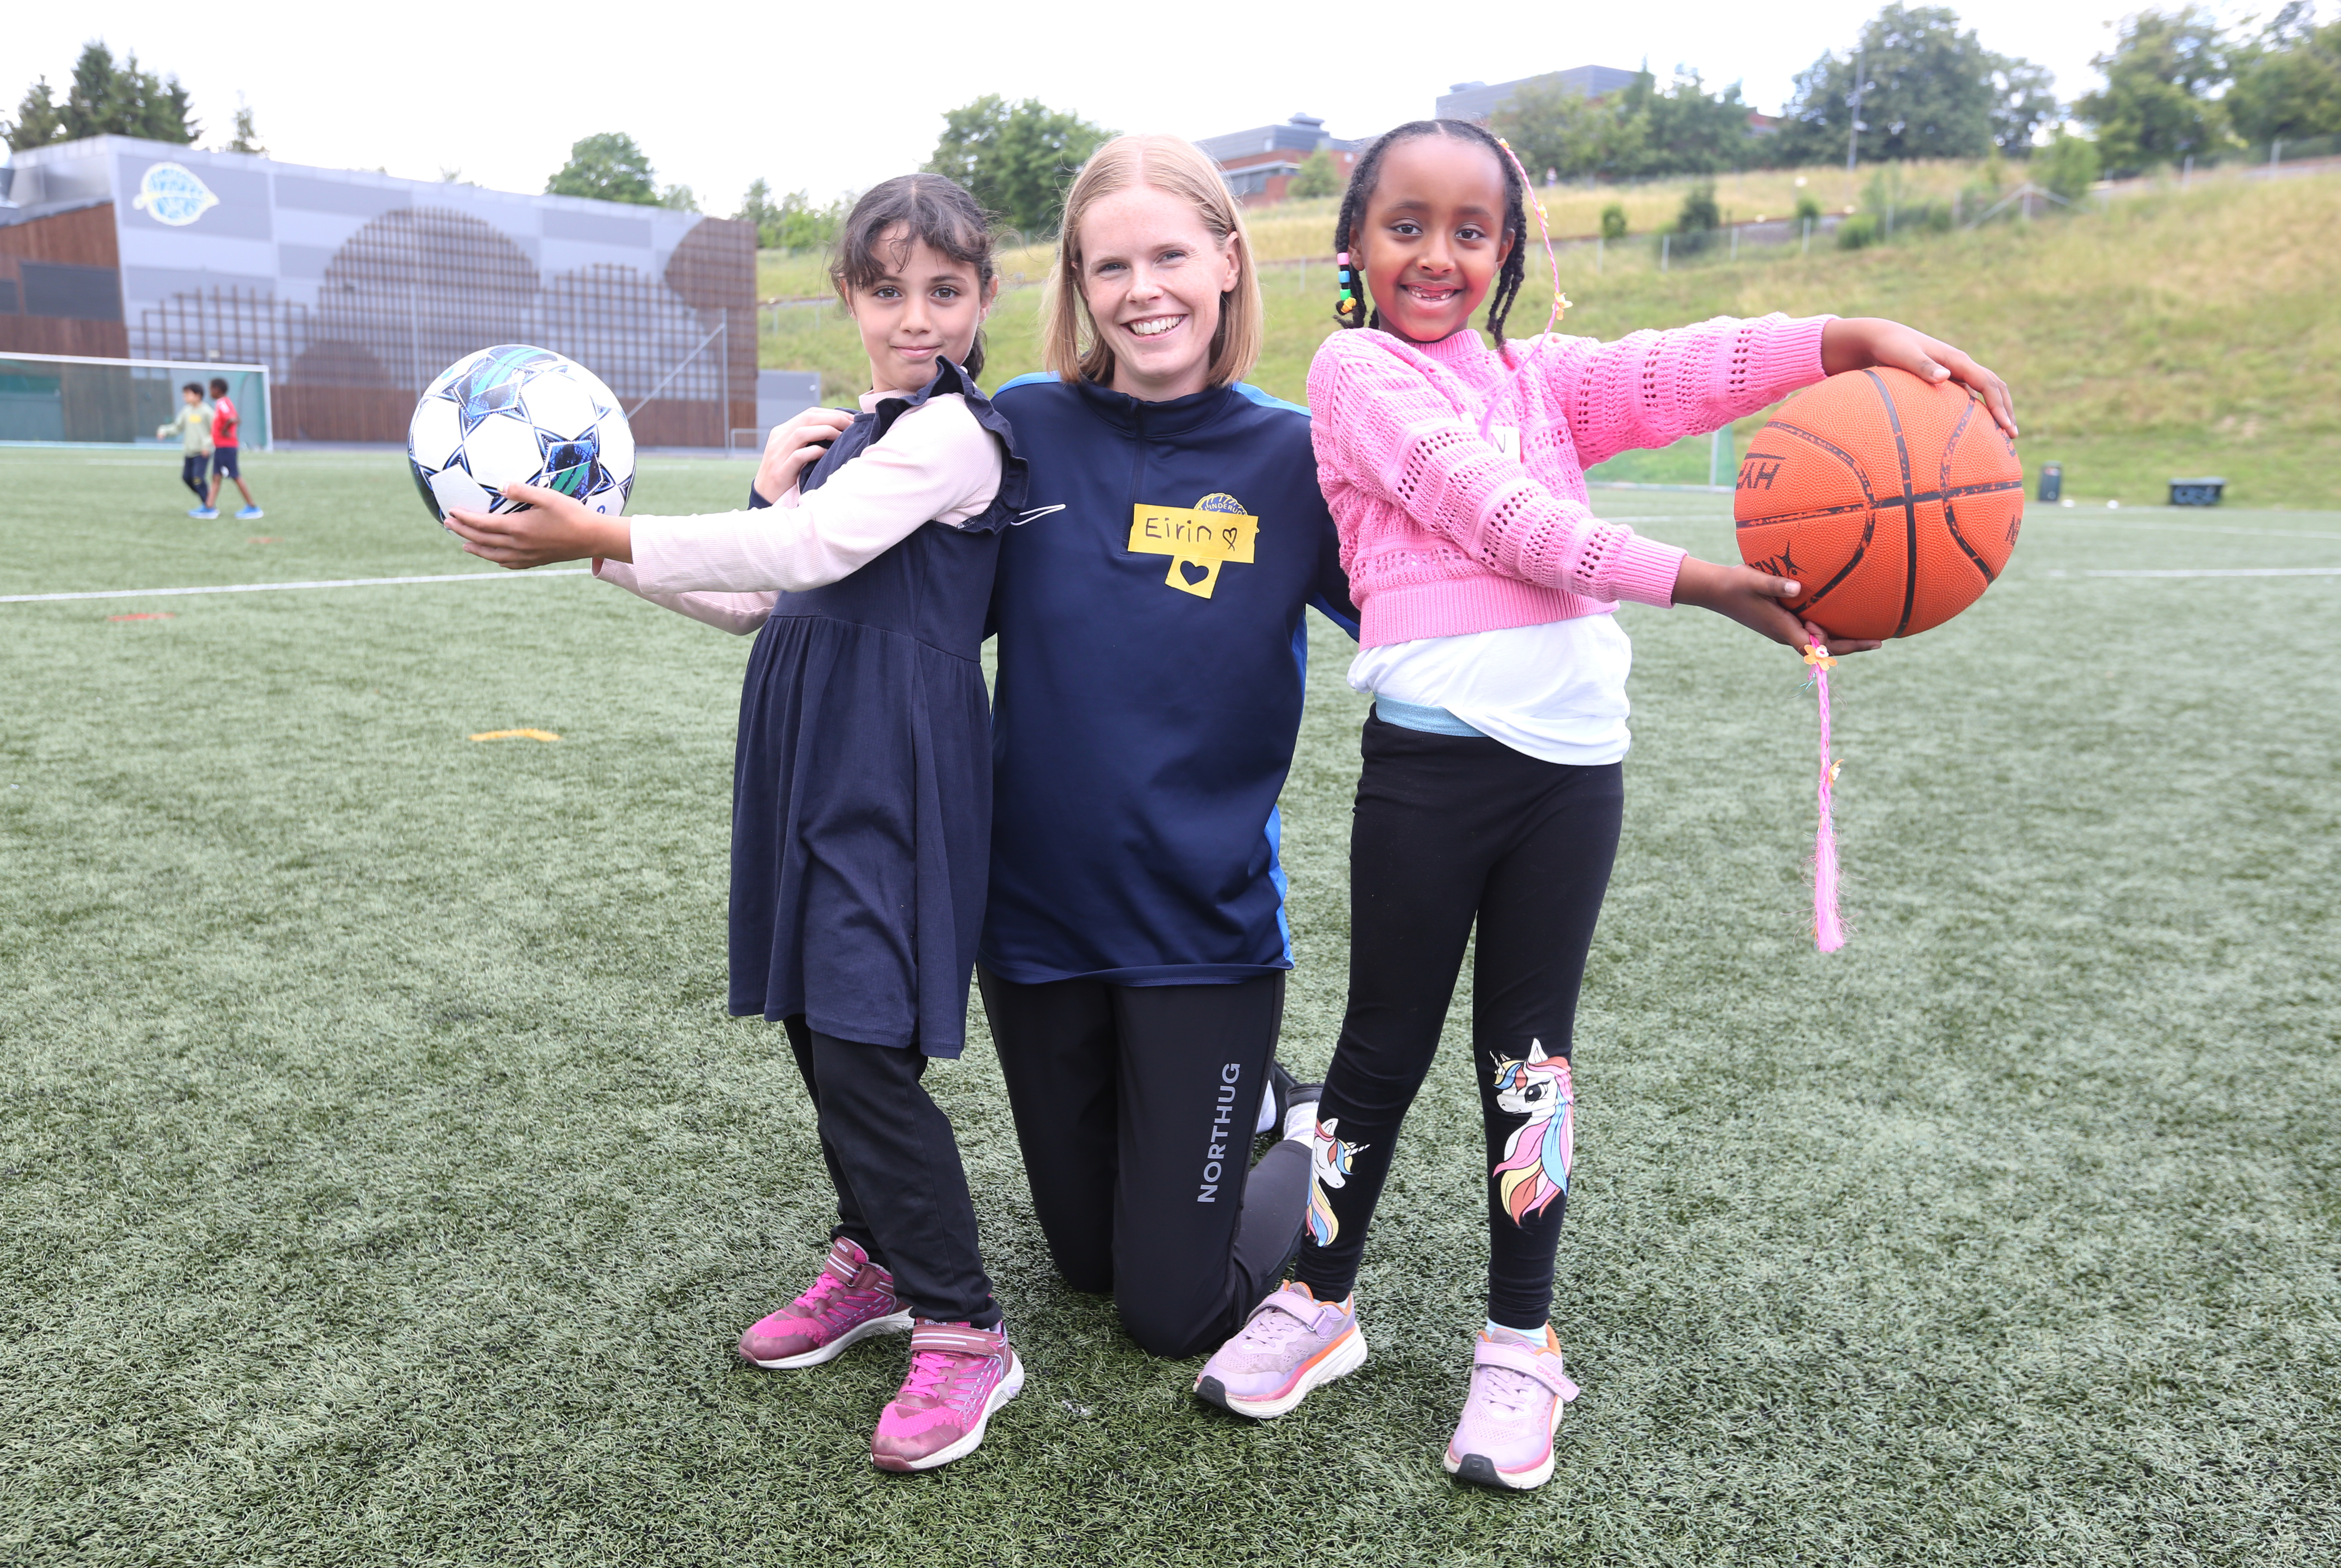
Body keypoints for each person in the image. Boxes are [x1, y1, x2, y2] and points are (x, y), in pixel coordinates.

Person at [1194, 118, 2018, 1490]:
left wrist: (1846, 337)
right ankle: (1316, 1299)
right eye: (1405, 225)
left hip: (1567, 778)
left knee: (1527, 1061)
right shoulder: (1355, 375)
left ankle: (1519, 1343)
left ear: (1507, 251)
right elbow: (1498, 518)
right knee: (1377, 1049)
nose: (1437, 254)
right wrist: (1702, 583)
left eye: (1471, 230)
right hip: (1426, 773)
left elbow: (1681, 366)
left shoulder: (1541, 381)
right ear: (1350, 245)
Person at [440, 174, 1031, 1473]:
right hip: (806, 758)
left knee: (865, 1044)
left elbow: (807, 554)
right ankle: (877, 1255)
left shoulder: (955, 438)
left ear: (984, 297)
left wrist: (620, 523)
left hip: (895, 768)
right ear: (849, 298)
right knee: (818, 1024)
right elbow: (759, 601)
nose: (916, 317)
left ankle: (966, 1326)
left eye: (944, 290)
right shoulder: (851, 436)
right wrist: (600, 553)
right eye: (887, 290)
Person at [979, 135, 1358, 1362]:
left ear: (1229, 261)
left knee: (1168, 1310)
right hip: (1034, 930)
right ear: (1077, 287)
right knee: (1084, 1264)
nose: (1142, 290)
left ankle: (1303, 1123)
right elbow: (889, 584)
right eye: (1109, 266)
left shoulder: (1297, 456)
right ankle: (1227, 1115)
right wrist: (782, 496)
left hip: (1204, 934)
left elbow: (1422, 609)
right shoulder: (1020, 429)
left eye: (1170, 256)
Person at [196, 377, 262, 521]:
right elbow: (236, 418)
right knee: (216, 477)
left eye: (211, 389)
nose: (210, 392)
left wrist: (225, 430)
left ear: (217, 390)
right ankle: (209, 507)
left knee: (235, 476)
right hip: (221, 447)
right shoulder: (223, 403)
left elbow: (233, 419)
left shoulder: (223, 403)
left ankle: (252, 507)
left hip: (226, 447)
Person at [158, 382, 211, 507]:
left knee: (198, 479)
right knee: (187, 478)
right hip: (190, 452)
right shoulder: (187, 411)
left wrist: (207, 445)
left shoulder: (207, 412)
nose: (184, 397)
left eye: (188, 394)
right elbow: (178, 427)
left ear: (198, 396)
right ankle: (208, 501)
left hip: (202, 453)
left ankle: (209, 505)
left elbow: (215, 431)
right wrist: (164, 431)